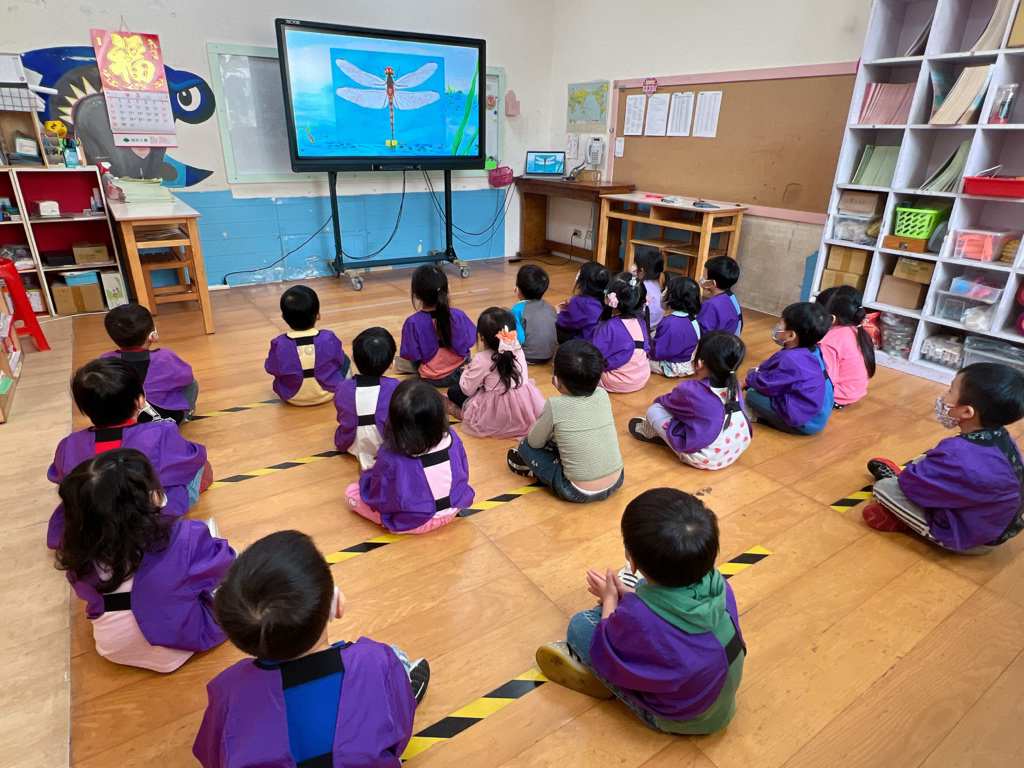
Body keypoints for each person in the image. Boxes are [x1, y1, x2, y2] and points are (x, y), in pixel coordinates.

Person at [193, 530, 427, 768]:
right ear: (336, 604)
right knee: (395, 659)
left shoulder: (228, 689)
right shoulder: (373, 660)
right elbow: (401, 729)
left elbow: (212, 755)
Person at [535, 488, 744, 734]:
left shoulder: (640, 618)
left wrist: (610, 598)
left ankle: (603, 682)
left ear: (631, 562)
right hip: (716, 702)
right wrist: (626, 594)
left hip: (679, 719)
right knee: (642, 589)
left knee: (580, 626)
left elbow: (605, 646)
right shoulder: (719, 583)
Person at [55, 448, 234, 672]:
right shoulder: (186, 537)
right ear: (153, 497)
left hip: (113, 649)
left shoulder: (80, 556)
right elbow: (226, 564)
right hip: (180, 644)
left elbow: (94, 598)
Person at [46, 358, 211, 549]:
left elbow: (58, 476)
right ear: (140, 401)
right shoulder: (159, 433)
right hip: (147, 522)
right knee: (197, 464)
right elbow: (193, 459)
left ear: (84, 407)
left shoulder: (69, 444)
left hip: (95, 526)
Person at [862, 362, 1024, 553]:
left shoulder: (956, 453)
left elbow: (911, 487)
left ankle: (903, 520)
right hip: (990, 524)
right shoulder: (1002, 438)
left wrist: (906, 479)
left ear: (967, 411)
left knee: (884, 488)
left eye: (950, 390)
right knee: (925, 463)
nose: (943, 396)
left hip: (969, 540)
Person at [345, 379, 474, 533]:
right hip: (453, 507)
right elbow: (462, 472)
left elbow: (380, 498)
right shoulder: (452, 437)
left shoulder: (391, 457)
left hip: (416, 522)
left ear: (394, 421)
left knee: (351, 492)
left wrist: (367, 476)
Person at [506, 339, 624, 503]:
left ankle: (534, 470)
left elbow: (534, 442)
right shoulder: (602, 394)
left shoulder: (555, 404)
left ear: (556, 380)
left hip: (576, 490)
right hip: (617, 478)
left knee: (525, 446)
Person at [629, 330, 751, 469]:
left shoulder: (691, 389)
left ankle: (670, 439)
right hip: (734, 449)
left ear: (699, 363)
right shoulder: (734, 384)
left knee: (654, 410)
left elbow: (664, 402)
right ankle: (673, 436)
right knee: (701, 415)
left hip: (704, 457)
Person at [445, 307, 545, 438]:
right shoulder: (518, 349)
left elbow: (467, 390)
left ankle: (465, 413)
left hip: (495, 407)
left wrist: (467, 372)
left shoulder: (481, 358)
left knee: (453, 391)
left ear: (481, 337)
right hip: (522, 404)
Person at [743, 302, 834, 435]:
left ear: (791, 335)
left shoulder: (791, 360)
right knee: (757, 376)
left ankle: (762, 417)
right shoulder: (813, 351)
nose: (777, 326)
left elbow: (766, 384)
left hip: (803, 424)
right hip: (817, 414)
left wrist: (746, 382)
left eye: (780, 323)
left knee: (751, 395)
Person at [101, 303, 198, 423]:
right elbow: (187, 377)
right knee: (192, 384)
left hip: (123, 421)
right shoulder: (164, 356)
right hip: (165, 420)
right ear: (152, 335)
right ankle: (186, 414)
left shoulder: (105, 359)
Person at [265, 285, 351, 406]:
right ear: (318, 315)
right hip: (329, 393)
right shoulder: (328, 337)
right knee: (345, 359)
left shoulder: (279, 343)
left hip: (292, 397)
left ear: (283, 317)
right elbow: (339, 360)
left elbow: (271, 368)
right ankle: (347, 388)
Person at [396, 264, 476, 388]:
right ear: (447, 289)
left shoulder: (412, 322)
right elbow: (471, 340)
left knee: (405, 359)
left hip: (431, 378)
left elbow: (410, 354)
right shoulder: (458, 314)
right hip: (461, 372)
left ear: (416, 294)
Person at [334, 327, 400, 470]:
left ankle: (363, 453)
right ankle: (379, 455)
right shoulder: (394, 385)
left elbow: (342, 416)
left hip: (350, 443)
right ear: (391, 364)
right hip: (387, 443)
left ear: (353, 358)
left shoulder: (342, 387)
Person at [815, 285, 875, 408]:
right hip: (853, 392)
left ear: (831, 318)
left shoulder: (828, 342)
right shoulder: (856, 330)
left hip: (835, 396)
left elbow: (825, 379)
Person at [591, 272, 650, 393]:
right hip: (642, 378)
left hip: (616, 381)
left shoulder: (610, 325)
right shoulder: (641, 320)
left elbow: (595, 356)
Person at [649, 276, 703, 378]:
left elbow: (657, 353)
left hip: (671, 366)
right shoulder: (693, 320)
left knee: (639, 359)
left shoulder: (669, 323)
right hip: (687, 363)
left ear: (670, 297)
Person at [510, 264, 558, 363]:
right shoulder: (549, 306)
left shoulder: (516, 310)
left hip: (528, 356)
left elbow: (519, 338)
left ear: (517, 289)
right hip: (550, 353)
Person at [555, 262, 611, 343]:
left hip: (584, 343)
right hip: (600, 340)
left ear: (582, 283)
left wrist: (558, 312)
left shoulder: (580, 302)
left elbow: (564, 322)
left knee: (554, 326)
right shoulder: (607, 298)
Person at [696, 256, 743, 335]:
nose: (701, 278)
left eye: (704, 276)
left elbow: (700, 334)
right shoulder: (732, 298)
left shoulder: (710, 305)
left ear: (712, 283)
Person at [632, 248, 666, 330]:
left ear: (641, 271)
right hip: (654, 325)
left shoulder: (642, 286)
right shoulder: (655, 284)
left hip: (643, 327)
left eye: (636, 266)